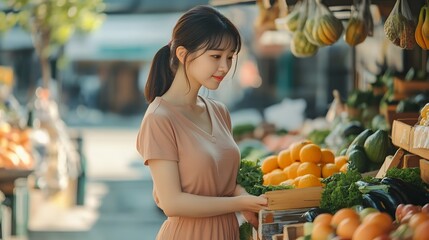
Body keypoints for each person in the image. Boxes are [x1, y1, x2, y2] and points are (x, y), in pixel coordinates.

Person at [135, 5, 268, 240]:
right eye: (215, 56)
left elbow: (223, 182)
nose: (225, 67)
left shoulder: (219, 112)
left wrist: (247, 200)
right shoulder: (159, 118)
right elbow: (172, 203)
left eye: (230, 57)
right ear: (183, 54)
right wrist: (239, 202)